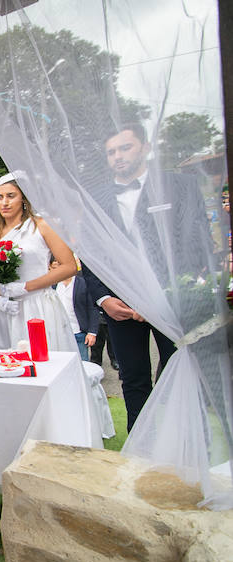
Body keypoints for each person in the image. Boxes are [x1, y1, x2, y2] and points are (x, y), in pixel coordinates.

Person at [81, 123, 209, 431]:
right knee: (133, 379)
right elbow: (89, 253)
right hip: (120, 307)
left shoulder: (179, 186)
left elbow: (196, 243)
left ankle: (193, 443)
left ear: (146, 147)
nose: (118, 156)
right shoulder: (95, 198)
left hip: (172, 301)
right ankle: (141, 447)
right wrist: (104, 298)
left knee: (184, 372)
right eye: (111, 152)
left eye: (126, 148)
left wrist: (167, 295)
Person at [0, 173, 78, 351]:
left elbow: (69, 266)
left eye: (11, 196)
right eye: (0, 197)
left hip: (38, 304)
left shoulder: (41, 226)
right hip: (7, 308)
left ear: (23, 199)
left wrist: (26, 286)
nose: (5, 202)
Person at [50, 258, 99, 361]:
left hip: (78, 332)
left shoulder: (82, 283)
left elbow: (92, 308)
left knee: (83, 364)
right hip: (58, 333)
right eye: (54, 267)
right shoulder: (52, 285)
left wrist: (92, 332)